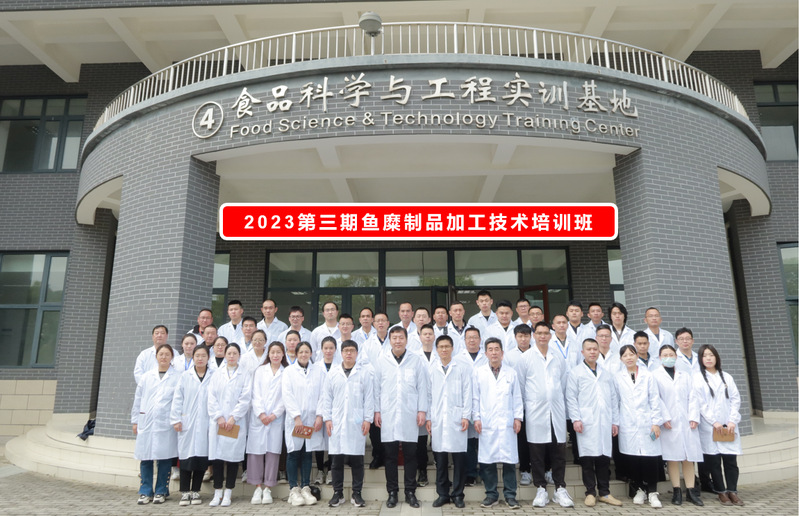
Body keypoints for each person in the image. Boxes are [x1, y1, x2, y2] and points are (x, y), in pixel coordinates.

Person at [516, 321, 573, 508]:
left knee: (558, 451)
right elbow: (521, 386)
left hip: (555, 410)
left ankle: (560, 489)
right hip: (535, 411)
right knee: (537, 452)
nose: (542, 336)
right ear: (534, 335)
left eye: (545, 333)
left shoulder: (558, 357)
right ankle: (540, 488)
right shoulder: (526, 358)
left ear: (550, 335)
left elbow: (562, 383)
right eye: (539, 333)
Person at [373, 326, 429, 509]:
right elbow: (376, 389)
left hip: (410, 413)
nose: (397, 341)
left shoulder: (416, 360)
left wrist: (422, 410)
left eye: (401, 338)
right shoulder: (382, 361)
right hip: (388, 413)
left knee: (410, 455)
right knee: (390, 456)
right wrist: (377, 411)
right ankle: (392, 492)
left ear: (406, 340)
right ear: (390, 340)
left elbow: (422, 387)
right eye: (394, 338)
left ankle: (410, 492)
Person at [565, 338, 622, 507]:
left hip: (605, 421)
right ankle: (590, 492)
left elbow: (613, 398)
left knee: (604, 458)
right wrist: (576, 419)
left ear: (599, 351)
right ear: (582, 352)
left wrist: (615, 421)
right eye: (589, 349)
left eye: (595, 349)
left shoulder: (606, 373)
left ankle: (605, 493)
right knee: (587, 458)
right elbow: (571, 398)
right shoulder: (576, 373)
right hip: (586, 421)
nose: (592, 352)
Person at [322, 340, 375, 508]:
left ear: (357, 353)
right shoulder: (333, 373)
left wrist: (367, 419)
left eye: (352, 350)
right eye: (346, 351)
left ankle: (357, 493)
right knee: (336, 461)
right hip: (336, 422)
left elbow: (369, 398)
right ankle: (337, 493)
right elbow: (326, 398)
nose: (349, 353)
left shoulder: (364, 374)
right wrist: (327, 419)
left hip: (357, 422)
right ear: (341, 353)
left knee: (357, 460)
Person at [472, 337, 523, 509]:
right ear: (485, 353)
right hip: (487, 422)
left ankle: (510, 495)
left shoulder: (511, 373)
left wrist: (517, 418)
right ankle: (491, 494)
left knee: (509, 461)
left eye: (497, 349)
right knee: (488, 460)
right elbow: (475, 398)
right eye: (490, 349)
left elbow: (517, 397)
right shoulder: (479, 372)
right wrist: (476, 418)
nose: (494, 353)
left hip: (507, 422)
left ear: (502, 353)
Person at [653, 344, 704, 506]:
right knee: (672, 458)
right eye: (665, 355)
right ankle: (676, 491)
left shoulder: (685, 375)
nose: (668, 357)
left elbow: (693, 397)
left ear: (676, 357)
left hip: (687, 421)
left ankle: (691, 491)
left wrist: (694, 416)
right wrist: (664, 417)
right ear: (660, 358)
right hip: (669, 423)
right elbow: (656, 398)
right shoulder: (655, 376)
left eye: (671, 354)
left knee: (689, 457)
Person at [693, 344, 743, 506]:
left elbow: (735, 399)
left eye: (711, 355)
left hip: (728, 426)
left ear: (716, 357)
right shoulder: (697, 378)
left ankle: (732, 491)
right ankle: (721, 492)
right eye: (705, 356)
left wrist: (732, 420)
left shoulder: (727, 377)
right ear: (701, 359)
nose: (708, 358)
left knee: (730, 461)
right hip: (710, 427)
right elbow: (700, 403)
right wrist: (713, 422)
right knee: (714, 462)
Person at [615, 344, 664, 508]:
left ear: (637, 356)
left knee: (650, 458)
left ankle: (653, 492)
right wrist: (616, 422)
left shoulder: (648, 375)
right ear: (621, 359)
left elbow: (655, 399)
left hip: (647, 422)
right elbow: (615, 401)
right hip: (628, 423)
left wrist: (656, 423)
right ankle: (640, 490)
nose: (628, 357)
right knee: (633, 458)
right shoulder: (618, 377)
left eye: (631, 354)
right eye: (625, 355)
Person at [427, 335, 472, 508]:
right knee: (441, 459)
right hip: (438, 418)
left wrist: (466, 415)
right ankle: (443, 494)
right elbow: (428, 395)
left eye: (447, 346)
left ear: (452, 348)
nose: (444, 349)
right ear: (437, 349)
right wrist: (429, 417)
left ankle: (458, 494)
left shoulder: (461, 368)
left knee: (459, 459)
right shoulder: (432, 369)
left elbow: (468, 392)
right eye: (441, 347)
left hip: (457, 418)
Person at [132, 343, 179, 504]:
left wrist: (176, 419)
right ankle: (145, 491)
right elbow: (138, 399)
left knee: (164, 458)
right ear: (156, 357)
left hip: (166, 423)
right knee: (145, 458)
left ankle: (161, 491)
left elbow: (178, 401)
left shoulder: (177, 377)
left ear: (172, 357)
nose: (164, 357)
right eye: (161, 354)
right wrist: (135, 421)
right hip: (147, 422)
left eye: (167, 354)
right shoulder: (147, 377)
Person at [207, 342, 252, 507]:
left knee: (233, 459)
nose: (232, 356)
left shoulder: (245, 374)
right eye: (229, 353)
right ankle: (217, 492)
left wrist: (233, 417)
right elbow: (211, 397)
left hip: (235, 423)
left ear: (239, 355)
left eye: (235, 353)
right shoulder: (216, 374)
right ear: (225, 355)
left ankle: (228, 493)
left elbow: (245, 398)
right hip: (219, 423)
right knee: (218, 459)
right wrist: (219, 417)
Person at [282, 341, 325, 506]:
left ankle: (306, 487)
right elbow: (287, 395)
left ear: (311, 354)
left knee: (308, 453)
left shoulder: (318, 371)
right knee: (294, 452)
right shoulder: (289, 371)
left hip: (311, 420)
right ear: (296, 353)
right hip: (296, 421)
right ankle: (294, 489)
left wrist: (319, 416)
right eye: (301, 352)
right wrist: (296, 417)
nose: (304, 355)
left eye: (307, 352)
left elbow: (323, 394)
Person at [171, 344, 214, 506]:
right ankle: (184, 492)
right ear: (193, 357)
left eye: (203, 356)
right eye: (197, 356)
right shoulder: (185, 376)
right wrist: (176, 419)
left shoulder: (213, 376)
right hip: (187, 422)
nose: (200, 359)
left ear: (208, 358)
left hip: (206, 422)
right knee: (186, 458)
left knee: (201, 459)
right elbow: (177, 398)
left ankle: (196, 491)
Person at [246, 342, 288, 505]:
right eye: (273, 352)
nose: (275, 355)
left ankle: (268, 487)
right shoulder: (260, 371)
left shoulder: (287, 372)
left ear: (283, 354)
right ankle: (257, 487)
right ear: (268, 354)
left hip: (276, 419)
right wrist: (262, 414)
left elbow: (286, 396)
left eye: (278, 352)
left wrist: (274, 415)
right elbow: (254, 394)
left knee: (272, 453)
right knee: (256, 453)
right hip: (259, 418)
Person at [503, 324, 533, 487]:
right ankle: (525, 470)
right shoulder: (509, 356)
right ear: (515, 337)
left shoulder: (536, 353)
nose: (523, 339)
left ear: (530, 337)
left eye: (526, 336)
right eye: (520, 336)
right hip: (517, 402)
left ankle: (544, 469)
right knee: (522, 438)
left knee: (538, 438)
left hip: (536, 402)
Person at [360, 311, 389, 469]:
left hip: (391, 387)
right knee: (375, 424)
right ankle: (378, 455)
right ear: (374, 323)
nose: (380, 323)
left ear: (388, 323)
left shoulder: (394, 340)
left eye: (383, 320)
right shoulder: (367, 344)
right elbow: (365, 364)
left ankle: (388, 455)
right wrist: (377, 373)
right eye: (378, 321)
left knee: (389, 423)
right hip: (373, 386)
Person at [462, 326, 486, 487]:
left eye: (475, 337)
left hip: (484, 403)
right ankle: (470, 473)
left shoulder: (486, 357)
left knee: (483, 440)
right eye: (469, 337)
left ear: (480, 340)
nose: (472, 340)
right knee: (469, 441)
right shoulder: (458, 358)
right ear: (464, 340)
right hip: (465, 403)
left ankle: (484, 473)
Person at [313, 336, 338, 484]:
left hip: (335, 409)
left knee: (332, 440)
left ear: (335, 349)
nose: (328, 351)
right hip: (317, 408)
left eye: (331, 348)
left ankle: (330, 471)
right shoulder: (315, 367)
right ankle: (320, 470)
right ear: (321, 349)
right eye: (326, 348)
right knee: (318, 441)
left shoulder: (339, 366)